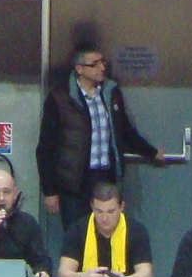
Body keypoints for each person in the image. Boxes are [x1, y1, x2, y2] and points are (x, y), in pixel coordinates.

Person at [37, 43, 162, 252]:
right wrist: (50, 191)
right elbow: (45, 149)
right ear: (79, 69)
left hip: (104, 177)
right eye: (94, 64)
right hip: (74, 182)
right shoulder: (60, 99)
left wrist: (151, 152)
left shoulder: (111, 93)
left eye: (102, 62)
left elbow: (124, 132)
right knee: (77, 239)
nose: (101, 68)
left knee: (107, 235)